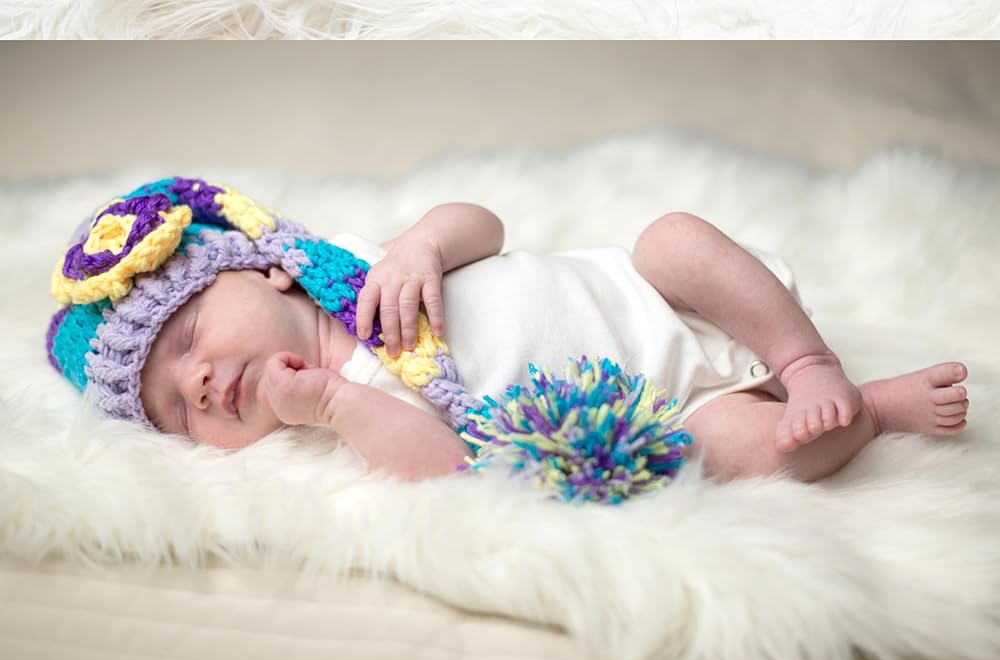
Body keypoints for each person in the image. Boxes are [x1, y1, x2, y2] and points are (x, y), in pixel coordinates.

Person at [46, 177, 969, 485]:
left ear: (262, 268)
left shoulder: (370, 269)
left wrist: (424, 242)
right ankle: (869, 410)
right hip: (664, 409)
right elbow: (453, 470)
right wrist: (328, 403)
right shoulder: (350, 417)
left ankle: (806, 358)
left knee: (672, 238)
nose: (199, 383)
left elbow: (485, 226)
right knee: (728, 455)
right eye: (177, 410)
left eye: (188, 339)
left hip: (661, 299)